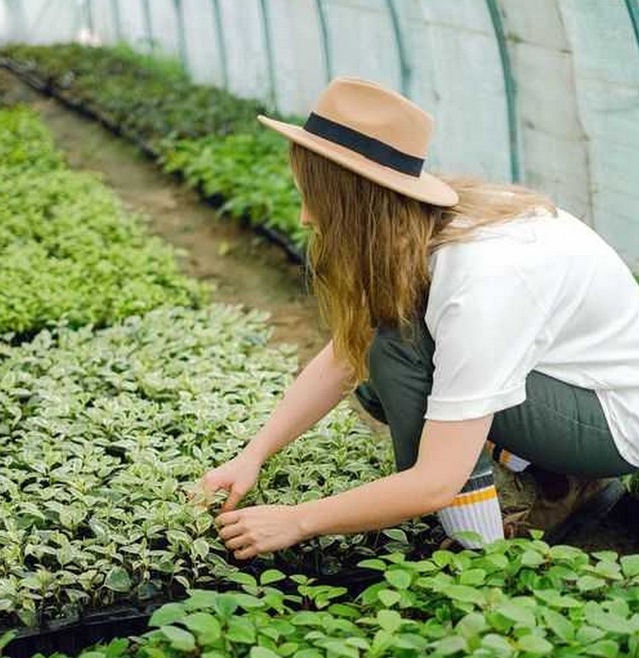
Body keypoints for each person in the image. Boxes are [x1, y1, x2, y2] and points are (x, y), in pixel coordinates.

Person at [201, 77, 639, 560]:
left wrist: (296, 520)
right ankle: (559, 480)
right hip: (566, 382)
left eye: (316, 198)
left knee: (398, 353)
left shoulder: (482, 276)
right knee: (381, 368)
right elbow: (343, 357)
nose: (306, 217)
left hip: (615, 420)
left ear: (356, 204)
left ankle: (479, 557)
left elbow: (434, 483)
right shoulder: (419, 224)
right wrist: (252, 456)